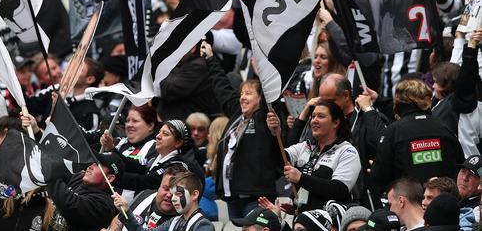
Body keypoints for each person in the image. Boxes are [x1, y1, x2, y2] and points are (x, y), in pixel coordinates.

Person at [204, 42, 283, 219]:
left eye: (248, 93)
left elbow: (271, 91)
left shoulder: (264, 116)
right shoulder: (237, 114)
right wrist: (210, 58)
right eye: (241, 93)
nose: (242, 98)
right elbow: (222, 88)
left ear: (260, 98)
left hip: (256, 197)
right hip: (232, 198)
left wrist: (262, 69)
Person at [288, 73, 386, 208]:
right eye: (322, 101)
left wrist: (369, 110)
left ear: (346, 95)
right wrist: (303, 116)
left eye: (330, 101)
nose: (325, 106)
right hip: (316, 201)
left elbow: (382, 147)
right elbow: (291, 153)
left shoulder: (365, 118)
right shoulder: (318, 120)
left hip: (359, 200)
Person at [370, 79, 464, 197]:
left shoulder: (394, 131)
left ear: (399, 101)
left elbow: (379, 175)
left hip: (408, 203)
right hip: (444, 201)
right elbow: (460, 165)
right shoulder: (444, 127)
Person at [268, 101, 361, 211]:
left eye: (321, 116)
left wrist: (301, 178)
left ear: (336, 122)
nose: (314, 120)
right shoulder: (306, 146)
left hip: (328, 222)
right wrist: (275, 135)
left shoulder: (347, 151)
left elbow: (339, 189)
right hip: (300, 219)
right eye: (313, 116)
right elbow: (279, 160)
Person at [113, 120, 204, 194]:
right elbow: (136, 165)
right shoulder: (158, 156)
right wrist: (111, 151)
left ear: (178, 143)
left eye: (165, 134)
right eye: (159, 132)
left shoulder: (177, 167)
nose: (158, 136)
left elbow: (143, 182)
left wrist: (112, 177)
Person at [44, 152, 123, 231]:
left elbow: (69, 203)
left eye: (98, 165)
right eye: (93, 162)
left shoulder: (104, 206)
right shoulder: (80, 178)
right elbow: (60, 169)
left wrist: (48, 171)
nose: (90, 166)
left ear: (109, 178)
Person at [114, 171, 215, 231]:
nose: (173, 198)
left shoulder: (203, 225)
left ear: (194, 194)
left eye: (178, 194)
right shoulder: (174, 221)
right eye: (172, 194)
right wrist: (126, 211)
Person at [100, 104, 159, 200]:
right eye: (127, 121)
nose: (129, 125)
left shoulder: (156, 147)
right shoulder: (119, 142)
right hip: (103, 199)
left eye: (135, 121)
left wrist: (112, 150)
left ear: (150, 125)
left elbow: (139, 169)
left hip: (128, 208)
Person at [104, 164, 185, 231]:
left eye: (175, 191)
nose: (169, 195)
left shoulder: (180, 222)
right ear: (159, 187)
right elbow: (119, 218)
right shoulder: (146, 194)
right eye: (166, 189)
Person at [68, 57, 105, 130]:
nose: (71, 70)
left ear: (89, 79)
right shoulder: (57, 91)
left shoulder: (90, 114)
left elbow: (86, 140)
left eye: (79, 69)